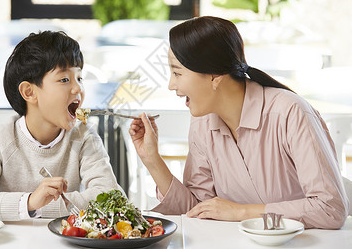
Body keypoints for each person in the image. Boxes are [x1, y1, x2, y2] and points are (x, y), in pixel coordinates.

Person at [129, 16, 349, 229]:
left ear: (214, 76)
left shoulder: (290, 113)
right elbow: (199, 209)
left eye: (177, 73)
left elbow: (330, 208)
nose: (171, 85)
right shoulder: (203, 123)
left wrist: (241, 212)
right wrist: (152, 159)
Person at [0, 31, 120, 221]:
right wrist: (30, 203)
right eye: (64, 79)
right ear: (29, 92)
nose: (78, 89)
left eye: (79, 78)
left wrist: (42, 208)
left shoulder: (84, 138)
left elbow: (110, 198)